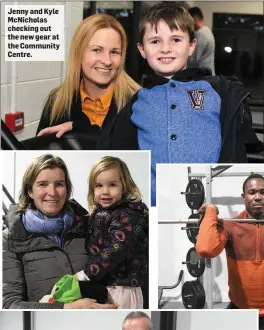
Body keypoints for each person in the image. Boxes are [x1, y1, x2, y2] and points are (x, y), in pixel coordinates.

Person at [96, 3, 263, 206]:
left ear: (191, 46)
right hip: (154, 209)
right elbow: (110, 141)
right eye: (155, 41)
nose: (166, 48)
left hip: (212, 207)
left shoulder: (217, 91)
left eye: (176, 40)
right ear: (142, 49)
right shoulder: (138, 101)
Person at [2, 154, 116, 309]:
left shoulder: (88, 226)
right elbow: (10, 305)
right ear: (30, 191)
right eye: (42, 184)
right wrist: (66, 308)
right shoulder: (12, 238)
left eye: (59, 184)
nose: (52, 192)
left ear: (67, 189)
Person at [36, 13, 140, 148]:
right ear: (79, 53)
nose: (107, 61)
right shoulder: (57, 101)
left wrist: (77, 128)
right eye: (97, 50)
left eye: (114, 52)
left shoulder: (138, 103)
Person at [75, 156, 148, 308]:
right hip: (107, 286)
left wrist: (86, 274)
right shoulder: (101, 213)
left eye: (112, 185)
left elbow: (116, 249)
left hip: (124, 288)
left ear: (124, 187)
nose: (105, 191)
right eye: (99, 186)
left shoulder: (129, 215)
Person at [196, 174, 264, 326]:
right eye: (252, 192)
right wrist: (210, 213)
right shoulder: (231, 226)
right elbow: (205, 249)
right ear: (244, 196)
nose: (258, 197)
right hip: (240, 309)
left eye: (263, 192)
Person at [187, 7, 215, 75]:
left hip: (204, 77)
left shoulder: (201, 34)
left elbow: (193, 60)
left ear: (194, 19)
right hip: (207, 75)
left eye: (188, 20)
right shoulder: (207, 32)